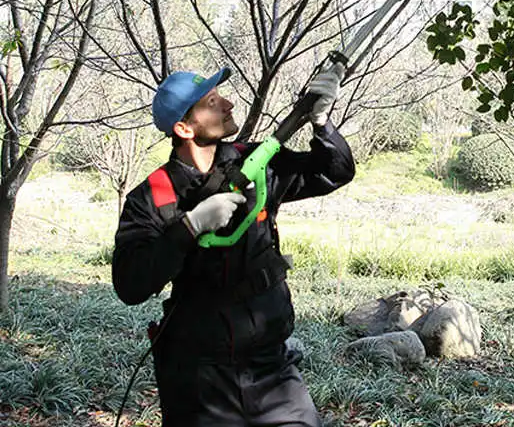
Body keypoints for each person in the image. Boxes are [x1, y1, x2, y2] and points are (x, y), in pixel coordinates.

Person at [112, 63, 353, 427]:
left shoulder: (256, 162)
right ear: (184, 128)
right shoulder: (153, 196)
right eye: (212, 101)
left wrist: (322, 124)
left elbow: (334, 172)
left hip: (271, 368)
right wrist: (189, 228)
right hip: (198, 376)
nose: (227, 104)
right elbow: (130, 284)